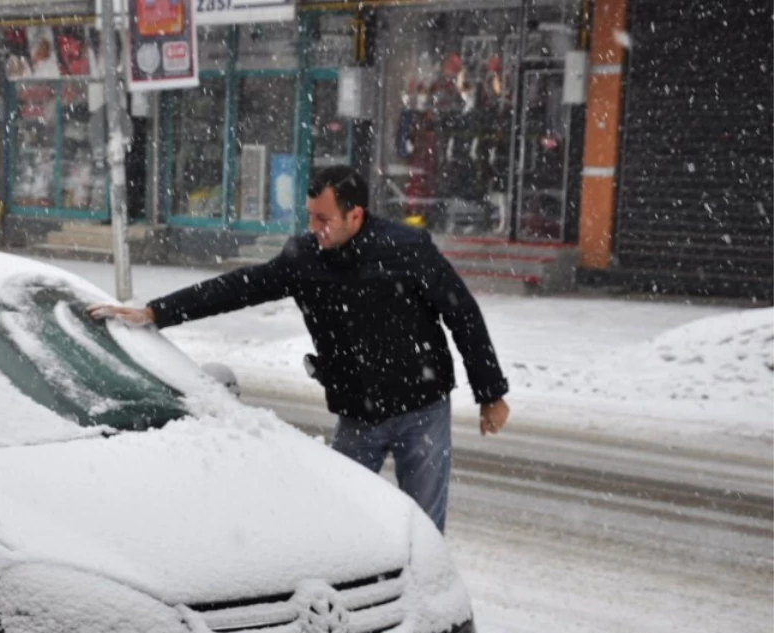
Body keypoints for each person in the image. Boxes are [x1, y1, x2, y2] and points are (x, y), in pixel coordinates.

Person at [88, 166, 510, 533]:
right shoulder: (306, 259)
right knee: (340, 522)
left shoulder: (406, 250)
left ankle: (427, 615)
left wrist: (490, 393)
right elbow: (240, 287)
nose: (313, 228)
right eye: (310, 217)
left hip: (422, 410)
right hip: (358, 414)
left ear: (355, 215)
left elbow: (463, 314)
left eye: (323, 219)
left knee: (423, 529)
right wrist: (156, 311)